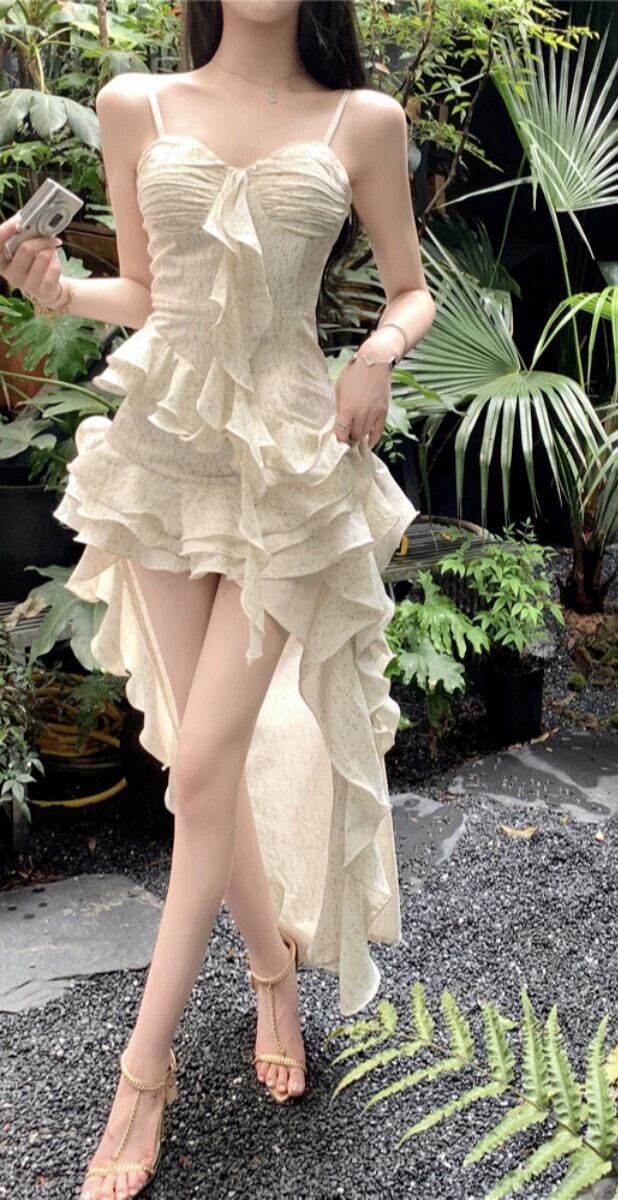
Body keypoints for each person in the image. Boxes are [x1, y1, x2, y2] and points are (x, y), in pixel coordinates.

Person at [0, 2, 435, 1196]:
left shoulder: (362, 119)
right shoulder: (134, 104)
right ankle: (272, 975)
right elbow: (148, 292)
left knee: (198, 770)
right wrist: (57, 294)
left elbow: (410, 290)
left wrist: (375, 355)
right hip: (164, 452)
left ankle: (142, 1077)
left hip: (289, 466)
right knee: (207, 768)